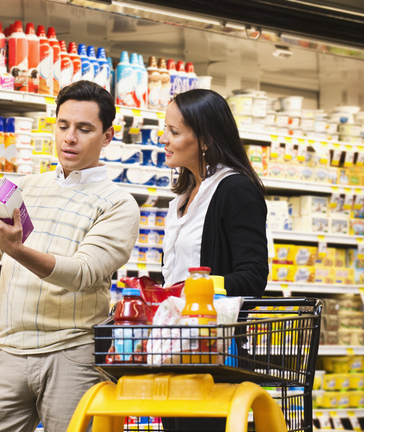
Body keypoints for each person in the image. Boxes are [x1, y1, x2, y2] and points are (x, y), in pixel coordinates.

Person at [0, 80, 141, 432]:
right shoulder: (25, 188)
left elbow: (83, 274)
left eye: (84, 129)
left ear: (108, 136)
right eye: (63, 126)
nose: (70, 138)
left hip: (73, 353)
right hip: (9, 351)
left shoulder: (118, 204)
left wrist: (16, 249)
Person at [159, 89, 269, 430]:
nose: (164, 138)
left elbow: (252, 277)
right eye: (165, 128)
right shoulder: (182, 196)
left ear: (205, 140)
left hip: (213, 352)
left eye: (174, 132)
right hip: (175, 347)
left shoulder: (235, 190)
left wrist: (196, 290)